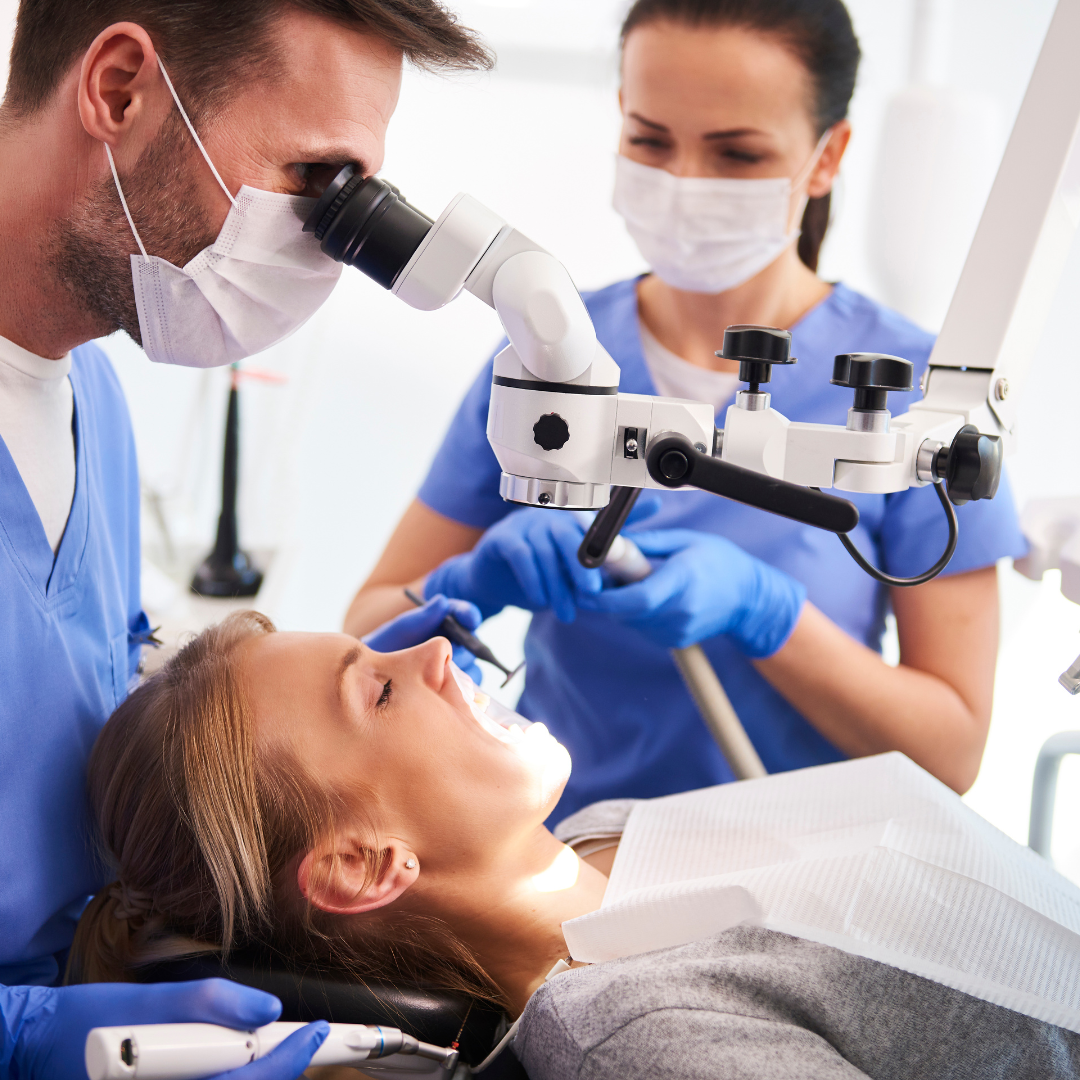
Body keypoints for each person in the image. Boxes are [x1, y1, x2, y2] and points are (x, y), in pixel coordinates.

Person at [342, 0, 1027, 822]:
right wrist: (464, 585)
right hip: (568, 863)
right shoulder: (548, 358)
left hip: (801, 885)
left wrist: (769, 615)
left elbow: (951, 752)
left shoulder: (919, 393)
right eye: (651, 141)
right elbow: (365, 633)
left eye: (737, 153)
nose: (685, 184)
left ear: (826, 156)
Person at [0, 1, 490, 1075]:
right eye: (313, 180)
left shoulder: (87, 395)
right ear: (121, 90)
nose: (326, 244)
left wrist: (368, 690)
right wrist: (18, 1037)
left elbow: (75, 670)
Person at [69, 614, 1080, 1080]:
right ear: (366, 864)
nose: (432, 652)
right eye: (376, 689)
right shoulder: (632, 1036)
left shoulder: (612, 834)